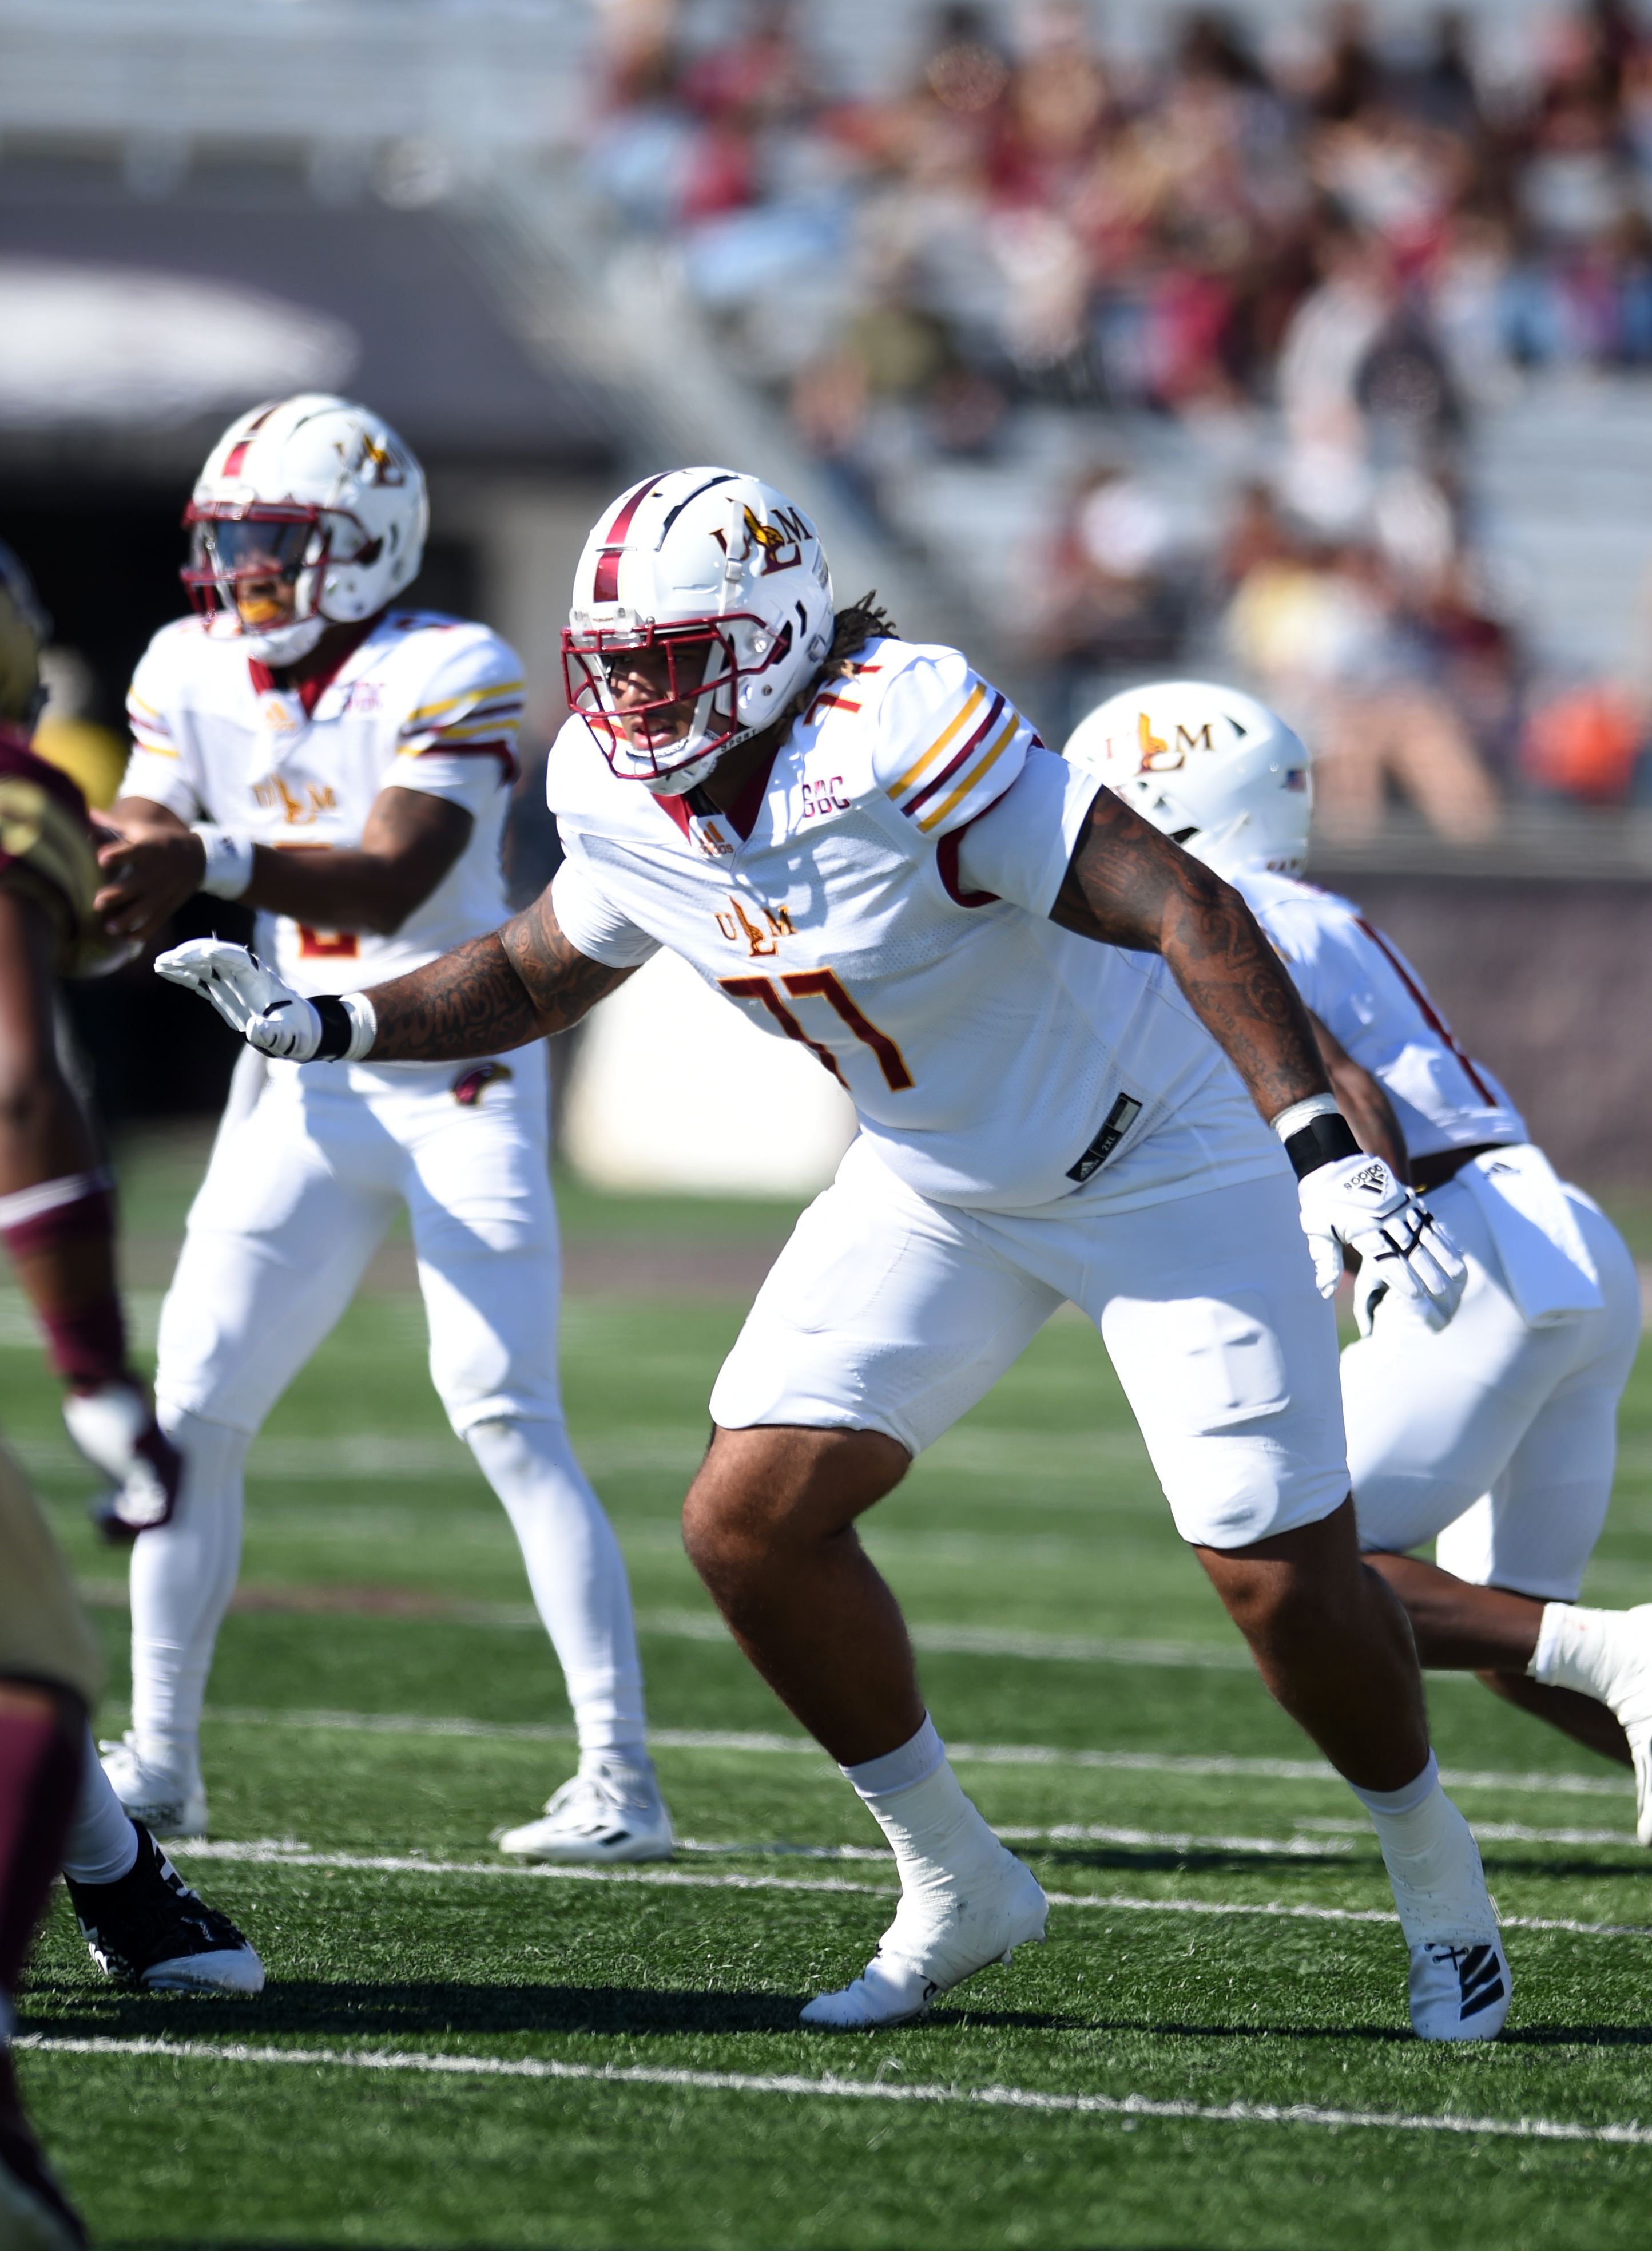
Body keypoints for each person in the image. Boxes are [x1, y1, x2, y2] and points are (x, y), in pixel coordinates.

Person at [160, 466, 1512, 2046]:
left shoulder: (896, 727)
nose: (631, 694)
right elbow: (537, 967)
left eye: (668, 656)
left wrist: (1316, 1145)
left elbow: (1188, 904)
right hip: (937, 1180)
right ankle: (955, 1879)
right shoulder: (621, 785)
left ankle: (1441, 1887)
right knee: (748, 1525)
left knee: (1275, 1578)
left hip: (1155, 1153)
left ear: (775, 630)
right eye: (615, 660)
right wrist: (339, 1023)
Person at [91, 395, 671, 1864]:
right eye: (229, 546)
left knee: (503, 1410)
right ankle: (160, 1761)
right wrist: (81, 888)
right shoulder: (186, 664)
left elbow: (404, 876)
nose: (244, 578)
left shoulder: (449, 661)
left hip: (452, 1062)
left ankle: (621, 1778)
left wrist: (208, 855)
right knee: (192, 1412)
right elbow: (135, 857)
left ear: (365, 547)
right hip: (287, 1070)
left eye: (275, 545)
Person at [1066, 679, 1647, 1814]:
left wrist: (1373, 1234)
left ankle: (1636, 1648)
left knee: (1308, 1564)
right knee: (1515, 1631)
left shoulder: (1224, 906)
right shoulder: (1313, 904)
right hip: (1559, 1233)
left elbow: (1337, 1079)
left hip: (1458, 1245)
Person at [0, 546, 261, 2251]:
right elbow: (18, 1081)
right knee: (31, 1659)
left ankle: (122, 1889)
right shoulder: (20, 797)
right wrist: (97, 1372)